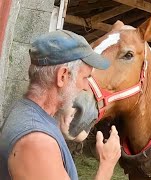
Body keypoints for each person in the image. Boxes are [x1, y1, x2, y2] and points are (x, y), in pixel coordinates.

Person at [0, 30, 121, 180]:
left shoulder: (24, 108)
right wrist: (107, 165)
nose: (85, 87)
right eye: (85, 77)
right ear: (62, 76)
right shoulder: (37, 143)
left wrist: (58, 131)